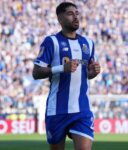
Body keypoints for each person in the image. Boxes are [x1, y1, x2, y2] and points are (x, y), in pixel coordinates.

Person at [32, 2, 100, 150]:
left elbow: (86, 74)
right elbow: (36, 72)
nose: (75, 17)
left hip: (82, 109)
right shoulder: (52, 42)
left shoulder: (88, 43)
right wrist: (62, 68)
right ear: (60, 19)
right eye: (70, 14)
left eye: (77, 13)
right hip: (57, 110)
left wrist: (92, 73)